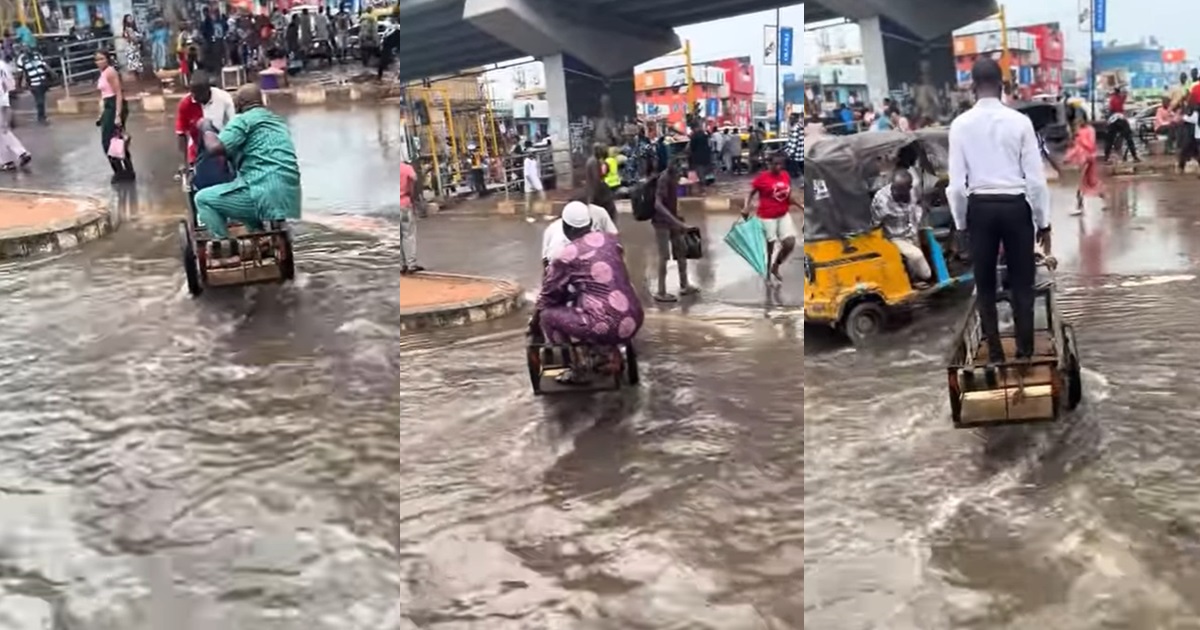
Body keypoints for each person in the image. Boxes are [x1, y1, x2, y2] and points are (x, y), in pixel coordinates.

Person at [948, 57, 1050, 365]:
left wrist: (962, 225)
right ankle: (1025, 352)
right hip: (1015, 207)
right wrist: (1043, 222)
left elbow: (955, 185)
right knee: (1023, 283)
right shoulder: (1020, 122)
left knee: (986, 283)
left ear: (972, 87)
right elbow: (1035, 181)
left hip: (980, 208)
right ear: (1003, 85)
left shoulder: (960, 125)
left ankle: (994, 354)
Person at [532, 220, 643, 383]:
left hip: (607, 324)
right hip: (634, 316)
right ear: (589, 224)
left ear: (566, 228)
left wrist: (535, 322)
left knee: (549, 316)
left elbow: (547, 295)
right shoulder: (609, 239)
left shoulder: (565, 255)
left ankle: (578, 368)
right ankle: (613, 357)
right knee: (598, 300)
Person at [193, 84, 301, 241]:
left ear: (238, 104)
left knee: (202, 199)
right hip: (290, 195)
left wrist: (206, 127)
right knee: (243, 186)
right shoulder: (278, 122)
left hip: (262, 194)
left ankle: (223, 243)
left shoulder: (242, 121)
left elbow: (214, 148)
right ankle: (258, 236)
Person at [742, 152, 801, 284]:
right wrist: (746, 207)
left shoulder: (785, 176)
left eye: (781, 164)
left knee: (790, 243)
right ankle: (767, 272)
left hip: (783, 214)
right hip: (767, 216)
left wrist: (801, 207)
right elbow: (750, 194)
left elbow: (788, 196)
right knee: (770, 245)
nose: (778, 167)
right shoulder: (762, 178)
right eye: (775, 164)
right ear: (769, 164)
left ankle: (776, 266)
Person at [871, 170, 932, 286]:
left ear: (909, 188)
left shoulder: (912, 192)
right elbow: (875, 224)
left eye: (900, 191)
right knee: (919, 259)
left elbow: (917, 205)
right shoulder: (882, 200)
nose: (896, 193)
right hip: (894, 237)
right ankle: (920, 279)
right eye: (895, 189)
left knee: (919, 254)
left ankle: (915, 280)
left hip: (911, 230)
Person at [651, 159, 697, 302]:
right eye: (678, 173)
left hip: (672, 221)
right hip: (661, 223)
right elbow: (658, 204)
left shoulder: (673, 177)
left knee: (681, 251)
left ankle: (685, 285)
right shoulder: (664, 179)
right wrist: (676, 220)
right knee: (664, 256)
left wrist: (677, 218)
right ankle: (661, 292)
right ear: (672, 170)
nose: (679, 176)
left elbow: (671, 200)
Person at [174, 71, 235, 167]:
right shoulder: (185, 104)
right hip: (197, 150)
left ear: (208, 89)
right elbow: (181, 134)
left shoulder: (224, 99)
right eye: (192, 92)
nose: (194, 97)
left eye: (198, 93)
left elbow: (234, 126)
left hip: (222, 147)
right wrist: (182, 163)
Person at [541, 201, 618, 265]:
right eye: (577, 232)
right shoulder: (557, 248)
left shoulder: (602, 243)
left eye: (584, 230)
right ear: (566, 228)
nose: (581, 236)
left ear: (590, 225)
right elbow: (547, 267)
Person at [94, 50, 131, 181]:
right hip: (107, 106)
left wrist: (118, 115)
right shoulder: (103, 73)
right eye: (97, 60)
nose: (99, 62)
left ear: (107, 59)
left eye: (102, 59)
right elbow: (104, 94)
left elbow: (118, 93)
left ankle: (122, 171)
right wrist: (101, 114)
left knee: (110, 142)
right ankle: (124, 171)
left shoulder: (110, 72)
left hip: (114, 105)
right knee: (114, 140)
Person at [1064, 116, 1103, 213]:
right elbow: (1075, 148)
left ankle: (1079, 205)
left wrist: (1080, 139)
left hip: (1088, 159)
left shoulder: (1088, 131)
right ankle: (1102, 197)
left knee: (1084, 182)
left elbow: (1090, 144)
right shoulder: (1078, 133)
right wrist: (1068, 158)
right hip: (1082, 160)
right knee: (1090, 182)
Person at [399, 158, 424, 274]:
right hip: (404, 205)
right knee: (408, 235)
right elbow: (414, 177)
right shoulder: (406, 167)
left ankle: (401, 265)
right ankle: (411, 264)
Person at [1103, 86, 1139, 163]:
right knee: (1129, 138)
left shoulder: (1112, 99)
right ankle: (1134, 156)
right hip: (1120, 119)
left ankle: (1106, 157)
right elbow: (1125, 95)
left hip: (1113, 119)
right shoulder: (1119, 98)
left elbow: (1111, 108)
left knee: (1110, 139)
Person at [15, 45, 49, 124]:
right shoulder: (22, 59)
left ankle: (41, 116)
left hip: (42, 81)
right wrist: (18, 86)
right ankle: (41, 117)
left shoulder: (37, 55)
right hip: (34, 83)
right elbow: (19, 73)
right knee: (40, 100)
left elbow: (44, 65)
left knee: (41, 99)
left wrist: (52, 74)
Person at [585, 143, 617, 223]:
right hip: (596, 192)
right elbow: (597, 178)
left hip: (593, 191)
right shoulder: (594, 162)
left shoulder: (593, 160)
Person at [522, 141, 544, 223]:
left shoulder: (534, 161)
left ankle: (544, 214)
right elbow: (527, 175)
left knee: (542, 197)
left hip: (536, 182)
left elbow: (537, 171)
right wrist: (532, 184)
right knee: (529, 201)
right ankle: (528, 216)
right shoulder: (527, 161)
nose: (534, 154)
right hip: (529, 184)